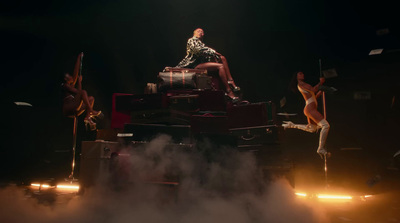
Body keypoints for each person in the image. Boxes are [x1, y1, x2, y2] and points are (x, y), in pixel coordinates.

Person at [176, 28, 240, 101]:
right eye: (198, 31)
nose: (201, 33)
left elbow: (204, 53)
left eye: (202, 32)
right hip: (193, 65)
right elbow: (198, 50)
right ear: (194, 33)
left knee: (222, 58)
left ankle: (230, 80)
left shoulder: (201, 44)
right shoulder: (192, 40)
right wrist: (214, 52)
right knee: (220, 66)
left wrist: (215, 56)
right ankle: (229, 90)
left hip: (200, 64)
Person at [282, 71, 330, 158]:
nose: (302, 74)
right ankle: (321, 149)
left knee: (312, 128)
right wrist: (321, 83)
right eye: (300, 73)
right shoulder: (301, 85)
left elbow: (314, 95)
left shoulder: (304, 85)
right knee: (325, 125)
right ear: (296, 77)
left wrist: (321, 91)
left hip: (310, 108)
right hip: (310, 109)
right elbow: (314, 89)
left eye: (303, 73)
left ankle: (292, 125)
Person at [61, 53, 102, 130]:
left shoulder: (70, 85)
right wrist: (78, 82)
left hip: (75, 107)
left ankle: (87, 117)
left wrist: (78, 59)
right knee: (83, 92)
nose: (71, 77)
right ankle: (91, 111)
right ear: (65, 79)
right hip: (68, 108)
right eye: (68, 76)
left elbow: (75, 74)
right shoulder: (65, 86)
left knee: (91, 99)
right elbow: (80, 92)